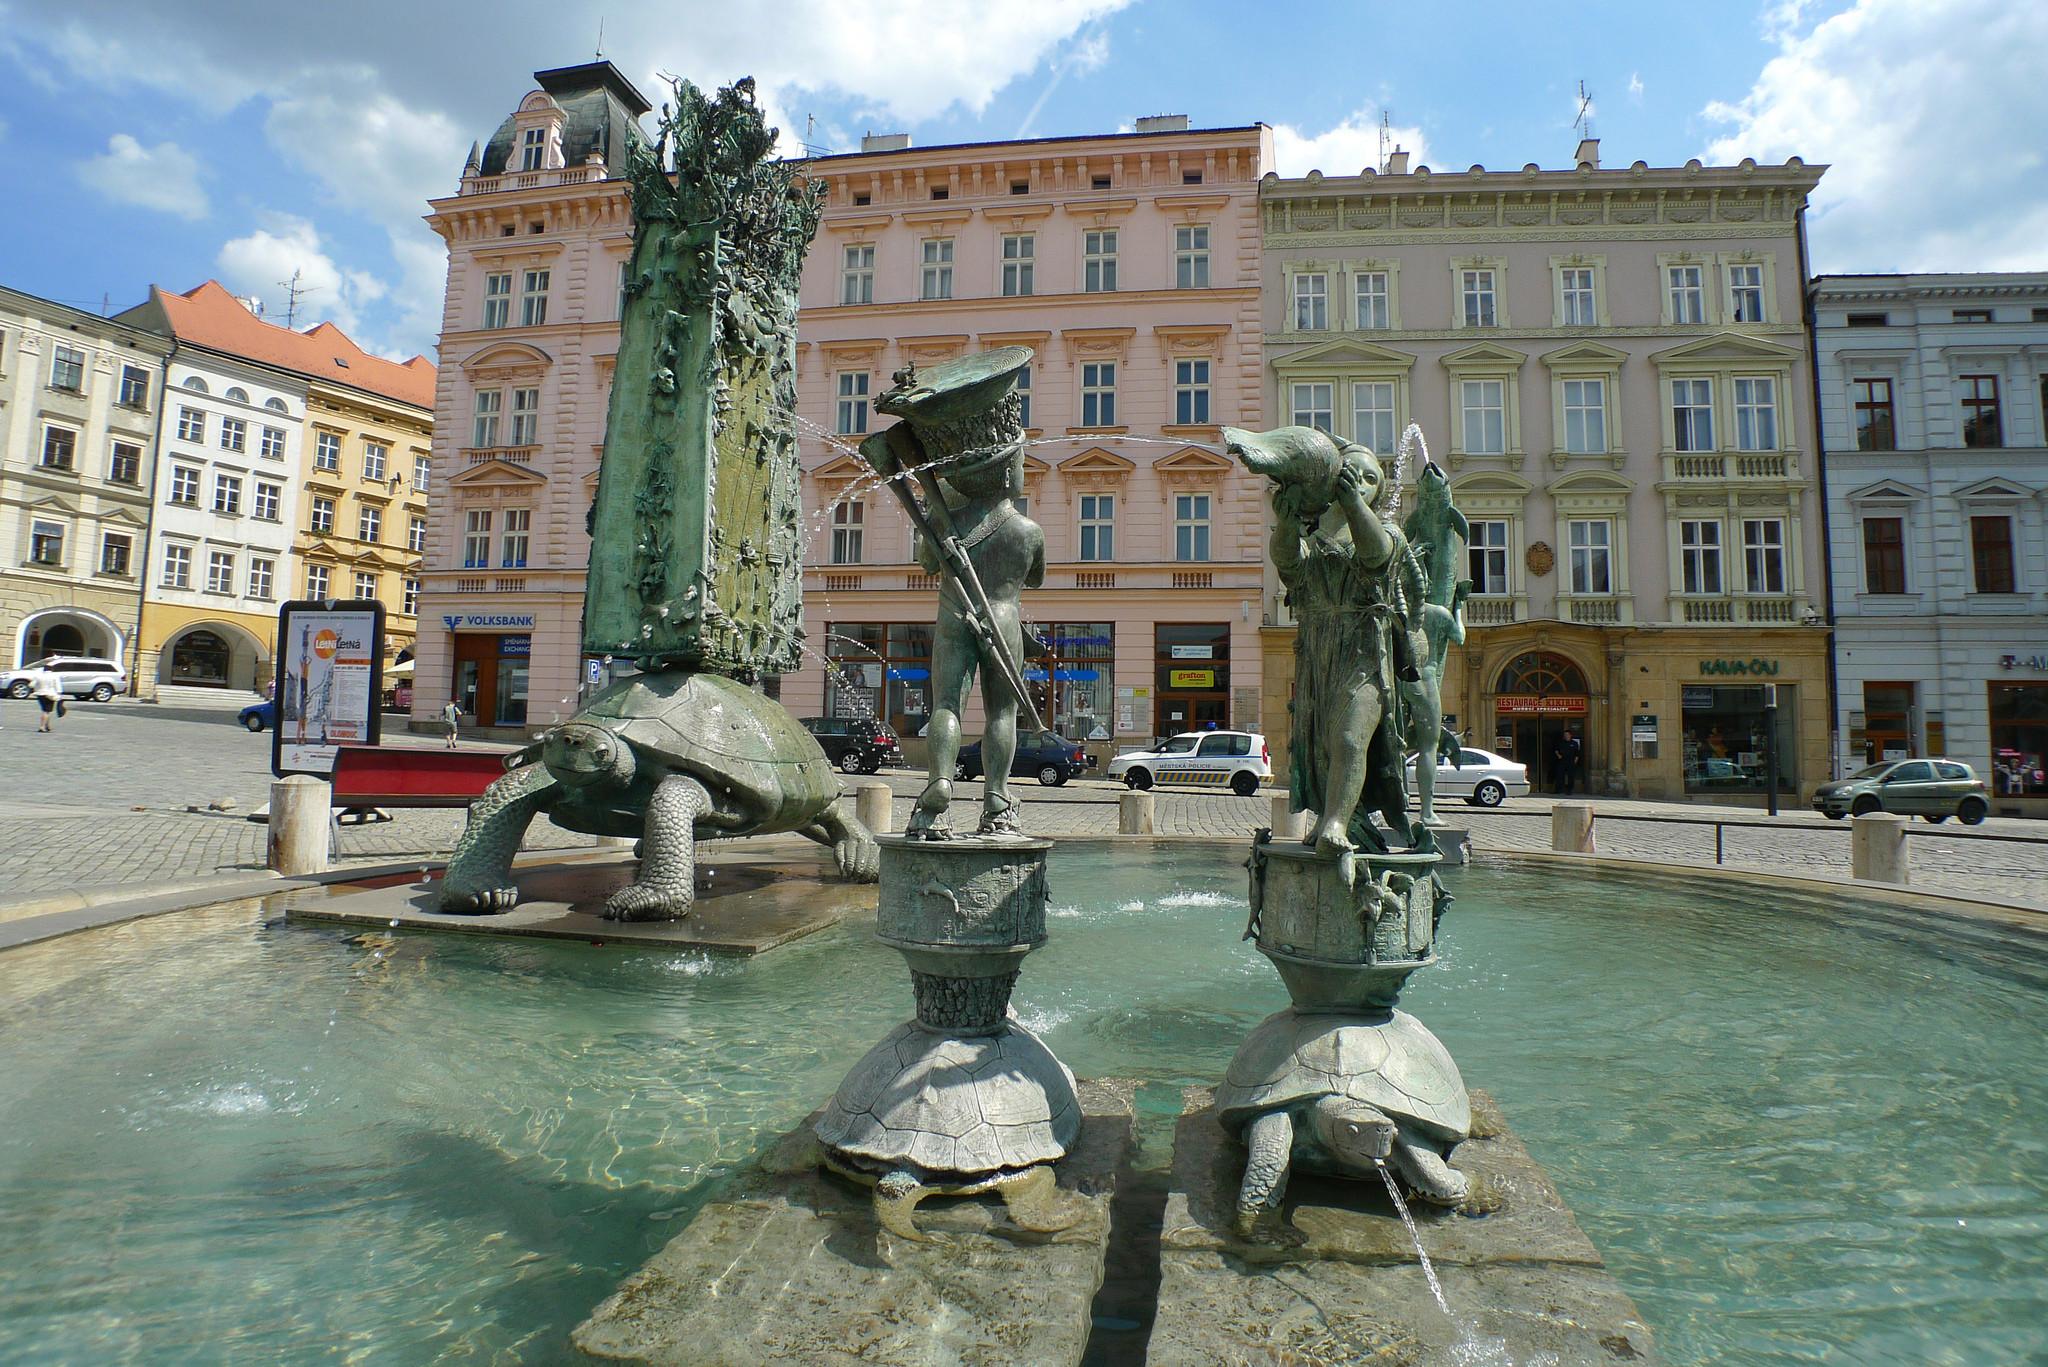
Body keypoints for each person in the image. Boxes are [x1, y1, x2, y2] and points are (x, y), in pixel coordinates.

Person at [32, 663, 63, 733]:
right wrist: (59, 694)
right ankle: (42, 727)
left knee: (45, 709)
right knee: (46, 711)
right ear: (51, 669)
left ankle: (47, 726)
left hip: (40, 694)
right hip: (50, 694)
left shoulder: (39, 676)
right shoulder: (54, 676)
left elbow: (33, 685)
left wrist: (36, 690)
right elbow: (58, 686)